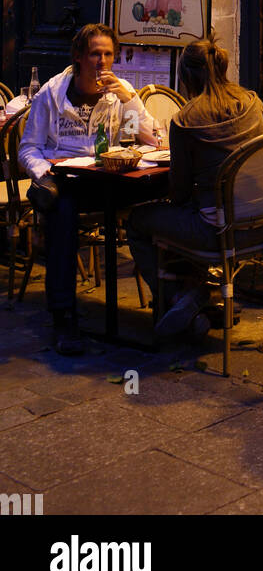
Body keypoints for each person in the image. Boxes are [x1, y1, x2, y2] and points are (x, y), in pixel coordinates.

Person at [19, 23, 158, 354]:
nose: (102, 61)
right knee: (62, 212)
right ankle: (64, 316)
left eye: (108, 54)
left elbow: (154, 139)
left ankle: (181, 297)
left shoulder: (120, 91)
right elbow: (28, 148)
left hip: (105, 178)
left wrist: (131, 102)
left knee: (162, 198)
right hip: (65, 183)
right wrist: (46, 171)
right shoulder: (52, 95)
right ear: (79, 57)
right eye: (95, 54)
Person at [126, 32, 263, 336]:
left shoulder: (184, 121)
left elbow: (178, 194)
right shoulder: (253, 101)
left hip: (216, 235)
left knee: (139, 221)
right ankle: (197, 301)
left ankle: (179, 298)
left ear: (186, 77)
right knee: (189, 214)